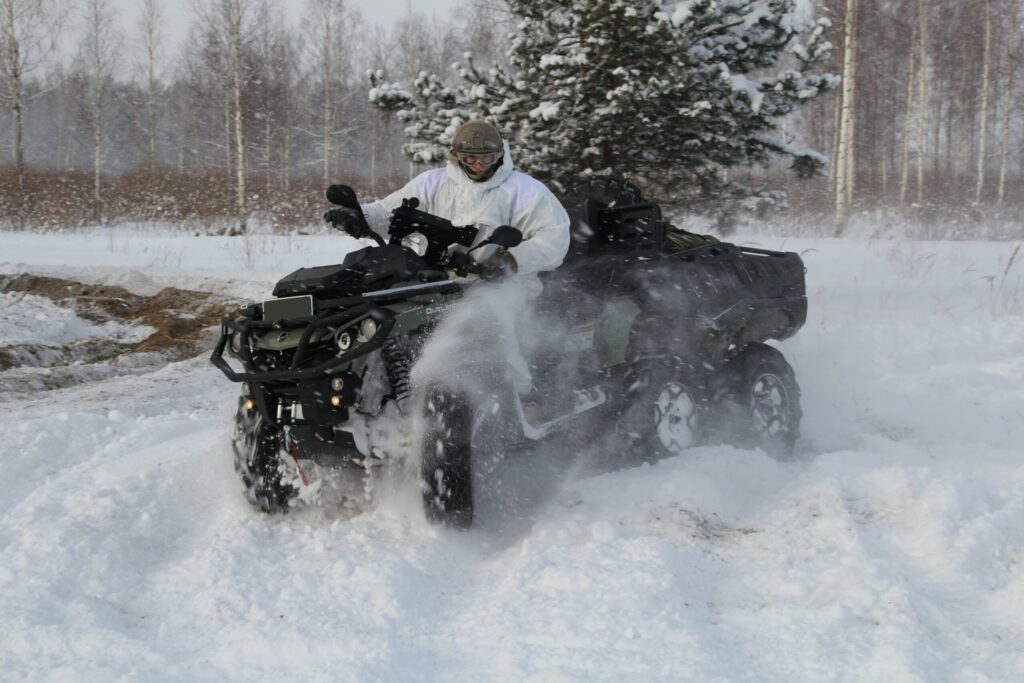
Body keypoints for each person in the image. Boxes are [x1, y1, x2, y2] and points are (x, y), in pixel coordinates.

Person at [331, 119, 570, 294]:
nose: (479, 165)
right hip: (435, 280)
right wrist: (359, 217)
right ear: (457, 156)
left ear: (499, 155)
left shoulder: (526, 190)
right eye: (470, 158)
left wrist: (510, 260)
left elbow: (554, 239)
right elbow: (388, 213)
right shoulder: (431, 183)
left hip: (503, 287)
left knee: (482, 328)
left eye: (487, 158)